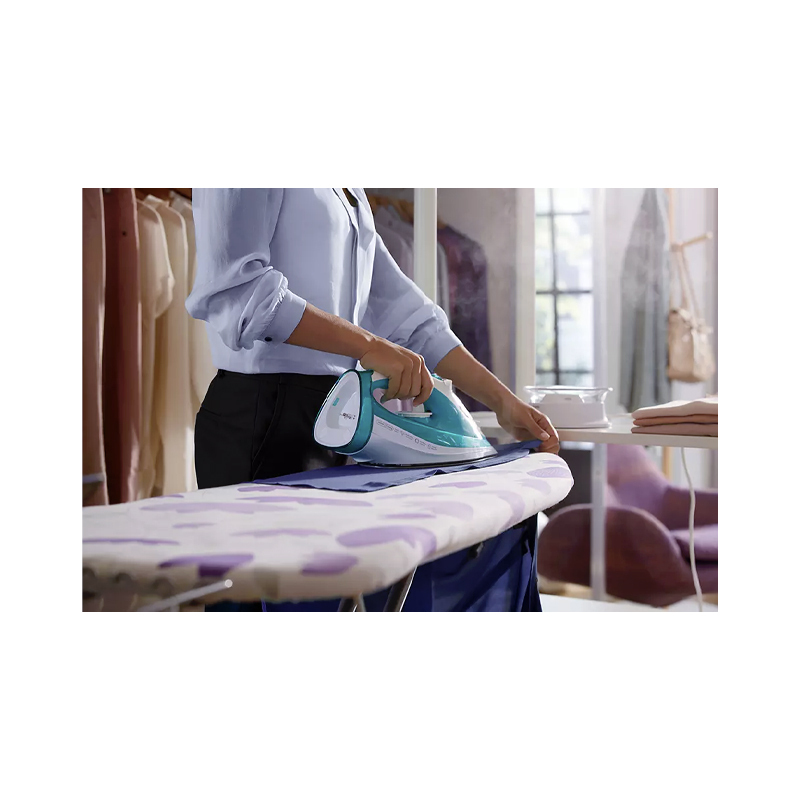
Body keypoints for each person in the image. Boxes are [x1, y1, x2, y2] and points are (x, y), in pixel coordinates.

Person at [186, 188, 558, 609]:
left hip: (337, 420)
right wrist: (369, 346)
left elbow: (410, 316)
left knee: (322, 607)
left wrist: (502, 402)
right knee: (257, 611)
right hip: (262, 418)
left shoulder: (350, 191)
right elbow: (237, 291)